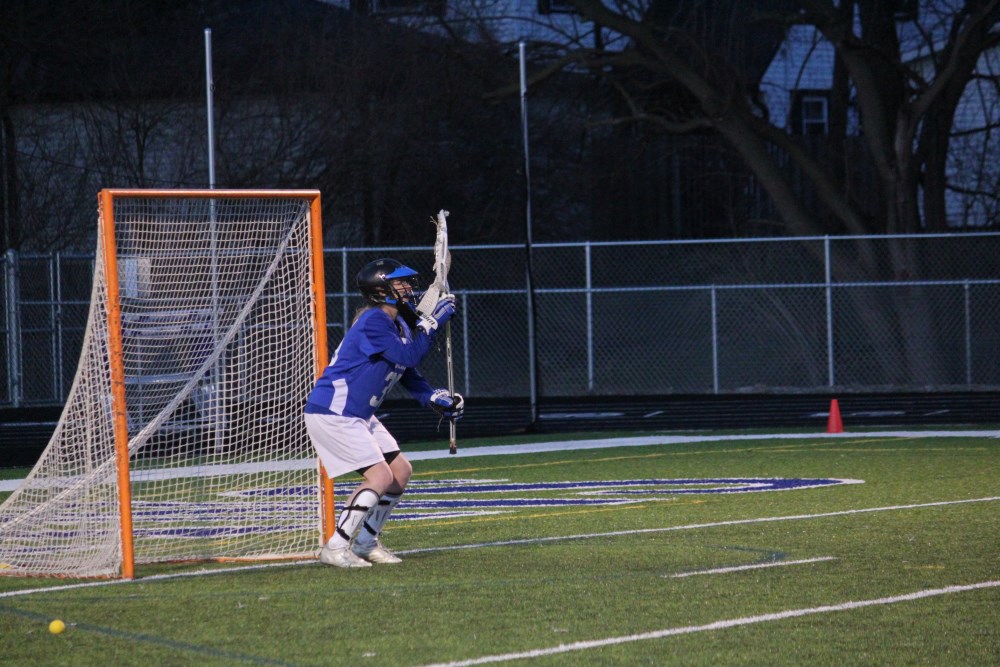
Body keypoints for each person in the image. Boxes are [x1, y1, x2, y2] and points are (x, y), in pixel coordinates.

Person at [304, 258, 464, 568]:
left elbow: (406, 369)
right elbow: (408, 354)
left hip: (358, 414)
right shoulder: (374, 320)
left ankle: (366, 542)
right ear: (380, 290)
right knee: (380, 476)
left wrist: (433, 397)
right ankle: (336, 547)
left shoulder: (399, 322)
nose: (407, 288)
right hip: (335, 411)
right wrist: (431, 325)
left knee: (400, 472)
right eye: (399, 283)